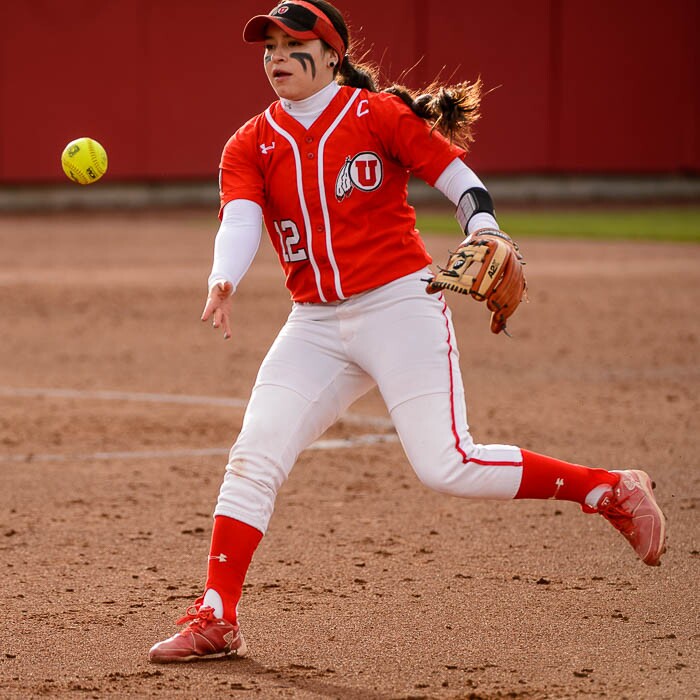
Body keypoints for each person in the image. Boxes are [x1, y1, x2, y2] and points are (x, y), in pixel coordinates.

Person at [148, 0, 666, 663]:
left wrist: (484, 230)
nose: (275, 55)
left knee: (447, 463)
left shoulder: (375, 115)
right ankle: (217, 615)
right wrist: (223, 277)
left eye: (292, 42)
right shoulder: (251, 142)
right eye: (267, 45)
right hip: (315, 324)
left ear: (332, 54)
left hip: (400, 308)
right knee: (254, 455)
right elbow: (241, 219)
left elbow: (457, 178)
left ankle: (608, 489)